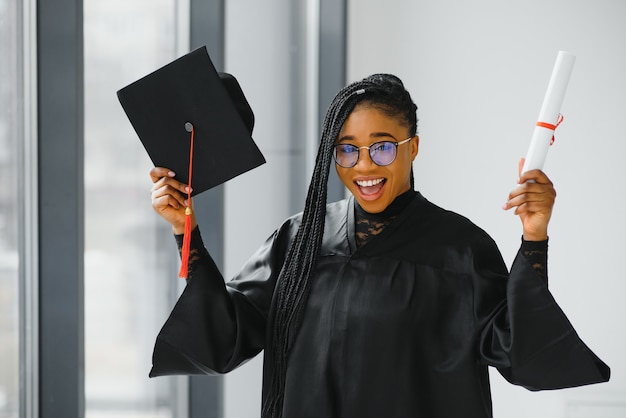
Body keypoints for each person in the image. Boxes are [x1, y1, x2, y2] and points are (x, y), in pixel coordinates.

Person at [148, 74, 609, 418]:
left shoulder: (459, 250)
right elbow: (221, 339)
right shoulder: (300, 240)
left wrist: (534, 236)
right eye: (346, 149)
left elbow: (526, 355)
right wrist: (185, 231)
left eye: (383, 147)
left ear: (414, 148)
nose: (363, 164)